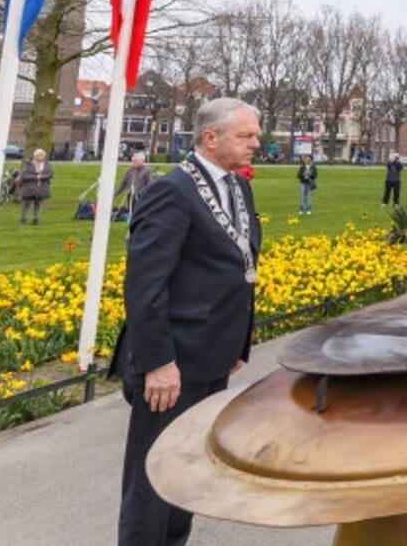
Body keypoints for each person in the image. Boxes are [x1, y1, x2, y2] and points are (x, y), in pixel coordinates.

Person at [111, 98, 262, 546]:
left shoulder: (237, 186)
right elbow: (145, 285)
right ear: (210, 138)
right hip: (171, 365)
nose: (257, 142)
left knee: (188, 476)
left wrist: (237, 343)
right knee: (153, 482)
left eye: (256, 134)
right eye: (246, 135)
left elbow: (237, 265)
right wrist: (158, 362)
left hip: (211, 358)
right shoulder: (171, 192)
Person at [18, 148, 54, 225]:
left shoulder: (47, 164)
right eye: (38, 155)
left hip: (41, 188)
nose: (40, 157)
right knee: (26, 204)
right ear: (35, 156)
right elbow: (24, 175)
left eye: (41, 156)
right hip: (29, 187)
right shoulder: (28, 164)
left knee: (38, 204)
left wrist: (41, 177)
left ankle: (36, 219)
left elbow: (50, 174)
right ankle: (23, 219)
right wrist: (36, 177)